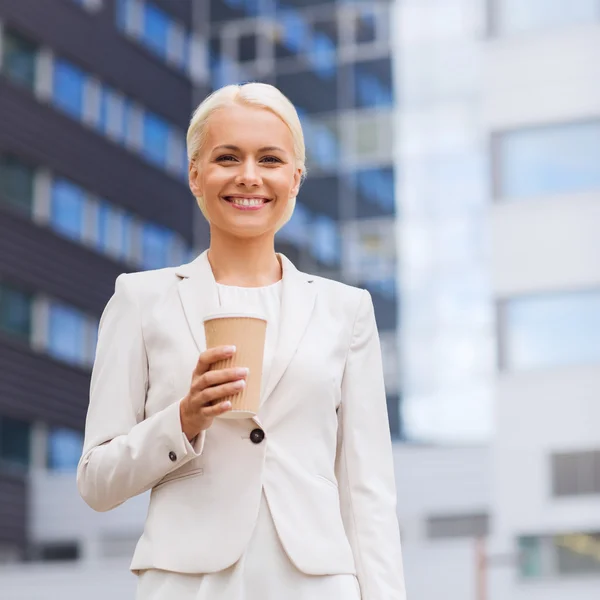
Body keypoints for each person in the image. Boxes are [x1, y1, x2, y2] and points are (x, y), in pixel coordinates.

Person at [77, 82, 406, 600]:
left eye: (270, 159)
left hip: (315, 583)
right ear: (195, 174)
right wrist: (183, 420)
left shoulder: (346, 310)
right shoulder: (140, 300)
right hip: (188, 583)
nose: (249, 176)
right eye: (227, 157)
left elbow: (368, 492)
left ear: (295, 178)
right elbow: (96, 481)